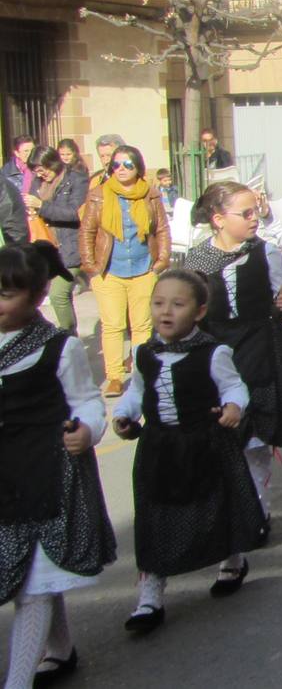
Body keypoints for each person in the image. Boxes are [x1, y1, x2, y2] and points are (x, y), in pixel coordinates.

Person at [111, 270, 266, 634]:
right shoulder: (145, 353)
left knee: (216, 505)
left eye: (177, 305)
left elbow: (235, 387)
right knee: (154, 518)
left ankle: (232, 560)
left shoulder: (214, 353)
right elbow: (136, 391)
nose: (165, 312)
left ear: (198, 312)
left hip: (205, 443)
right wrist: (123, 414)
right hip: (159, 447)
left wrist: (233, 408)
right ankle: (150, 595)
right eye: (158, 303)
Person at [0, 242, 114, 688]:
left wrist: (86, 431)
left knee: (35, 583)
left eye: (7, 295)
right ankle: (61, 650)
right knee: (26, 571)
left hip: (45, 472)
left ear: (37, 295)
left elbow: (86, 400)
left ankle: (17, 681)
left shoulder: (59, 348)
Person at [185, 182, 282, 522]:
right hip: (217, 350)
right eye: (244, 213)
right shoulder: (197, 258)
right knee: (225, 431)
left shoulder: (265, 251)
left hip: (260, 344)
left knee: (256, 434)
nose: (253, 218)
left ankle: (258, 509)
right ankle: (235, 503)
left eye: (255, 210)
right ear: (218, 219)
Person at [79, 145, 171, 398]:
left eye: (127, 164)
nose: (121, 169)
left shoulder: (150, 195)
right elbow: (87, 231)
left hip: (143, 268)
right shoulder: (99, 195)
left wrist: (161, 262)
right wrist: (90, 266)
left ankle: (141, 372)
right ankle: (115, 377)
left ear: (138, 168)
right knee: (113, 325)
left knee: (141, 326)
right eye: (116, 165)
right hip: (109, 270)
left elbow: (162, 229)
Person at [25, 148, 87, 335]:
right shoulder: (38, 182)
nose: (40, 174)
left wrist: (41, 206)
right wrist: (32, 211)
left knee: (58, 294)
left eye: (42, 168)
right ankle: (69, 338)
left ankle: (67, 335)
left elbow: (74, 213)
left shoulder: (76, 179)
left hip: (70, 246)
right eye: (36, 170)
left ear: (53, 162)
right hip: (46, 246)